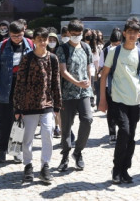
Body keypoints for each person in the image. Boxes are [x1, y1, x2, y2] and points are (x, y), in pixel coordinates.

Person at [99, 17, 140, 185]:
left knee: (131, 137)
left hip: (135, 101)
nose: (132, 36)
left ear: (138, 35)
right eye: (129, 33)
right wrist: (102, 99)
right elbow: (104, 75)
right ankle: (116, 168)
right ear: (124, 33)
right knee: (124, 132)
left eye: (135, 33)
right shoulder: (114, 52)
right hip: (118, 99)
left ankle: (125, 169)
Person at [14, 27, 62, 185]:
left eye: (45, 39)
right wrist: (17, 107)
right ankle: (28, 165)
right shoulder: (27, 58)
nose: (42, 42)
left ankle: (45, 166)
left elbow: (56, 82)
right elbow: (19, 83)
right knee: (28, 138)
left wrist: (57, 105)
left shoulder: (53, 58)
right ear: (34, 40)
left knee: (47, 134)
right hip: (28, 105)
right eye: (39, 39)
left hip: (47, 102)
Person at [0, 20, 33, 163]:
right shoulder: (2, 46)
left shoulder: (30, 45)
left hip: (23, 88)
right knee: (3, 121)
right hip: (5, 87)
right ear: (9, 34)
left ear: (23, 32)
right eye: (14, 36)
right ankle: (1, 150)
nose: (17, 39)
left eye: (19, 36)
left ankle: (16, 150)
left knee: (19, 121)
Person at [55, 20, 96, 172]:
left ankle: (78, 152)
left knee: (87, 119)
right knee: (66, 127)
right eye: (73, 34)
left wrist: (89, 86)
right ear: (68, 33)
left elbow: (88, 68)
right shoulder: (63, 49)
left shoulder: (85, 47)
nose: (76, 37)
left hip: (84, 93)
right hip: (67, 93)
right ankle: (65, 156)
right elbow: (63, 71)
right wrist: (77, 83)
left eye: (79, 34)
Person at [100, 28, 123, 144]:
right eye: (114, 44)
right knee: (111, 110)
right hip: (109, 84)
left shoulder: (124, 51)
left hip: (122, 84)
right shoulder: (105, 51)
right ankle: (112, 132)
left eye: (119, 44)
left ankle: (121, 131)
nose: (116, 46)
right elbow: (100, 69)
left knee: (120, 109)